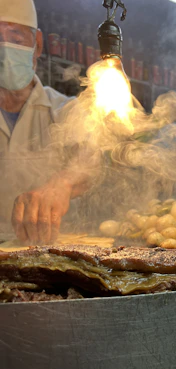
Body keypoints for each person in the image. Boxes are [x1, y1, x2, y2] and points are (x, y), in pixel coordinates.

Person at [0, 0, 91, 244]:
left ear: (37, 44)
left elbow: (91, 158)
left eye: (16, 40)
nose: (4, 50)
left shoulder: (64, 109)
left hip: (55, 255)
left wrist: (62, 182)